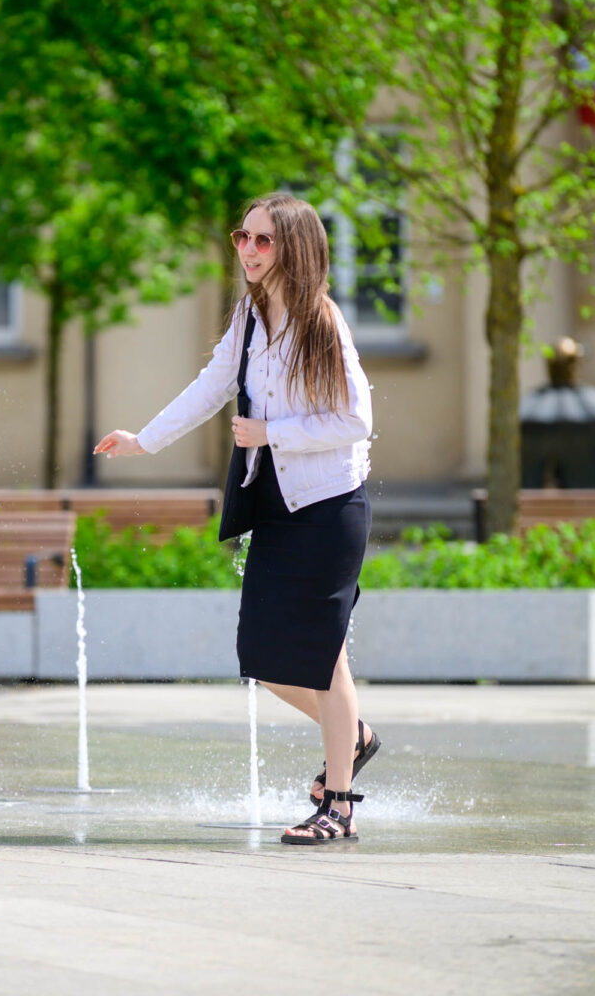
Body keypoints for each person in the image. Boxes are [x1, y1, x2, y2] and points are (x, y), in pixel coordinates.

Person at [94, 193, 377, 846]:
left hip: (330, 506)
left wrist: (272, 432)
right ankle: (353, 734)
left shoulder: (322, 323)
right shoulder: (251, 317)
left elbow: (358, 421)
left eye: (263, 241)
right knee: (264, 656)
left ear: (295, 249)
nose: (248, 251)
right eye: (241, 238)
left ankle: (339, 805)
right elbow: (212, 384)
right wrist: (145, 440)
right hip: (275, 504)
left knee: (323, 655)